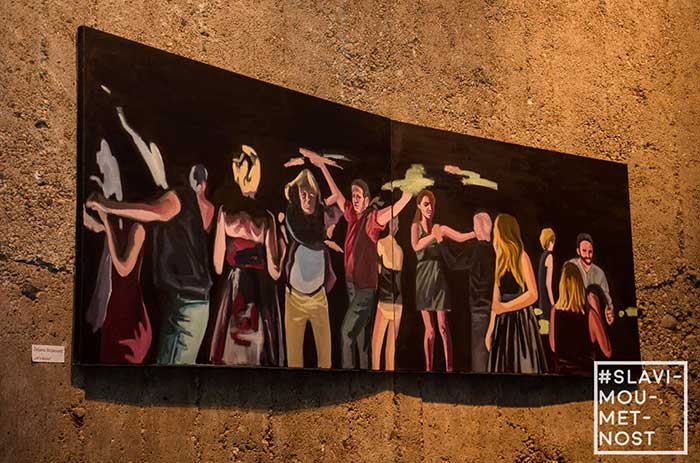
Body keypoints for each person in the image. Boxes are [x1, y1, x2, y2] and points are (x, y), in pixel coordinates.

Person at [87, 164, 214, 365]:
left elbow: (155, 212)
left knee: (170, 372)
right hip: (183, 303)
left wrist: (106, 205)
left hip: (187, 307)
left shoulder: (179, 196)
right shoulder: (189, 202)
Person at [302, 148, 412, 369]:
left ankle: (348, 375)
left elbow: (391, 211)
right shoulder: (352, 215)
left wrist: (406, 198)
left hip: (365, 289)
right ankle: (364, 375)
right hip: (351, 285)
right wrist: (323, 167)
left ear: (367, 199)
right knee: (361, 338)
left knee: (346, 333)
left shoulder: (372, 220)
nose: (355, 199)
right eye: (353, 196)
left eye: (359, 196)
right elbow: (336, 192)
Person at [209, 146, 286, 366]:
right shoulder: (266, 218)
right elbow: (275, 271)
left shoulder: (224, 214)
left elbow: (217, 265)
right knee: (258, 354)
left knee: (230, 351)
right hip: (259, 292)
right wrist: (284, 249)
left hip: (234, 289)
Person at [282, 168, 343, 368]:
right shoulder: (292, 218)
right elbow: (305, 239)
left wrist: (322, 166)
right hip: (294, 299)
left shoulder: (323, 216)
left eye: (312, 195)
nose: (307, 199)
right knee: (294, 361)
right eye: (303, 194)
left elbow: (341, 202)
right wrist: (326, 241)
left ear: (317, 197)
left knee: (325, 361)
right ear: (297, 195)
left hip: (318, 299)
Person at [83, 207, 151, 364]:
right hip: (113, 313)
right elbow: (94, 226)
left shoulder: (136, 228)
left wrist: (107, 223)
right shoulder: (114, 225)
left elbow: (123, 269)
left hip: (128, 316)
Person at [486, 214, 548, 374]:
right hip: (502, 322)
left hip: (521, 320)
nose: (494, 234)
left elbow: (533, 294)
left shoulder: (522, 257)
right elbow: (495, 299)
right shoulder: (499, 260)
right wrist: (491, 328)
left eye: (496, 229)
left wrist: (505, 307)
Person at [433, 212, 494, 373]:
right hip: (496, 309)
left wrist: (440, 241)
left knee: (479, 356)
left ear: (478, 229)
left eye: (474, 226)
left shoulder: (475, 250)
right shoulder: (495, 249)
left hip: (479, 309)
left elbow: (453, 263)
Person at [412, 190, 454, 372]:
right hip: (424, 281)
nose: (430, 208)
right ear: (419, 206)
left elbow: (456, 236)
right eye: (426, 204)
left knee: (443, 327)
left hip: (439, 279)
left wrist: (473, 234)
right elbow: (416, 246)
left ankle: (449, 368)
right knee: (430, 330)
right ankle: (429, 370)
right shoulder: (416, 227)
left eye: (432, 204)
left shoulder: (437, 227)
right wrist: (435, 235)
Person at [549, 262, 611, 375]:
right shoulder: (590, 315)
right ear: (580, 284)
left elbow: (553, 347)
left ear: (561, 285)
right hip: (586, 375)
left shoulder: (554, 311)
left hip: (562, 375)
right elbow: (607, 351)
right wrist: (598, 312)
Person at [371, 216, 404, 371]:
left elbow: (378, 271)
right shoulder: (400, 250)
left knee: (376, 346)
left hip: (385, 300)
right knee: (391, 350)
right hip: (399, 304)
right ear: (397, 227)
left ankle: (375, 379)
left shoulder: (381, 244)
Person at [568, 233, 614, 309]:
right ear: (578, 251)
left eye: (590, 251)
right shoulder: (571, 267)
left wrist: (609, 310)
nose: (588, 255)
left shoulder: (599, 273)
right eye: (584, 251)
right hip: (574, 310)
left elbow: (607, 299)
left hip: (594, 312)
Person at [537, 228, 556, 321]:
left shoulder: (543, 256)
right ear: (551, 242)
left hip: (541, 300)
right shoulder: (549, 256)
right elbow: (548, 284)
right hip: (547, 301)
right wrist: (553, 304)